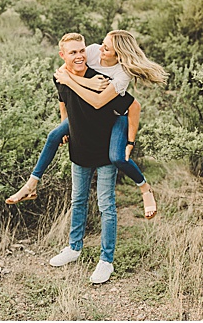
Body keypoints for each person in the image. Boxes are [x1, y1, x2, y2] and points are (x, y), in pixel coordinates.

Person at [6, 30, 167, 220]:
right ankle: (31, 184)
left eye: (106, 48)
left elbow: (110, 102)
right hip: (91, 113)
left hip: (116, 115)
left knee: (118, 157)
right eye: (102, 43)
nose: (100, 49)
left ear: (118, 54)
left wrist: (130, 142)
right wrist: (66, 119)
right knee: (54, 136)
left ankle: (145, 188)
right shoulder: (91, 51)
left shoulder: (122, 74)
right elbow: (63, 74)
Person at [44, 33, 134, 284]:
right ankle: (74, 248)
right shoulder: (90, 55)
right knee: (78, 199)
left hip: (105, 143)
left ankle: (106, 261)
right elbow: (63, 100)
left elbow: (100, 102)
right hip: (81, 144)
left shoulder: (119, 76)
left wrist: (69, 78)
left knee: (106, 205)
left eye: (82, 50)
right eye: (75, 52)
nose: (83, 54)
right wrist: (65, 126)